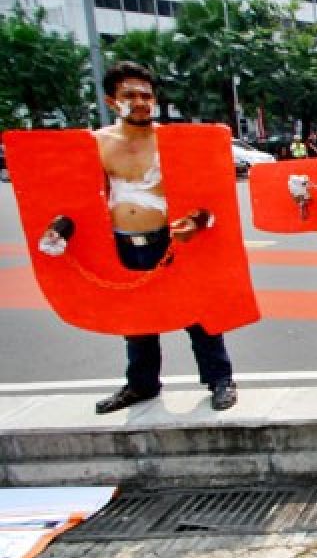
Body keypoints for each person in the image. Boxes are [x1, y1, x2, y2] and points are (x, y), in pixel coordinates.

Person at [38, 61, 238, 414]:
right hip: (123, 241)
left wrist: (199, 221)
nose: (141, 101)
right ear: (113, 101)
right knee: (134, 318)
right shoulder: (96, 144)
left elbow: (209, 195)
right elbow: (77, 196)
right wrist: (60, 228)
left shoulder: (173, 142)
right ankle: (141, 385)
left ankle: (220, 379)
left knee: (198, 311)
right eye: (130, 95)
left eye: (146, 94)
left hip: (171, 239)